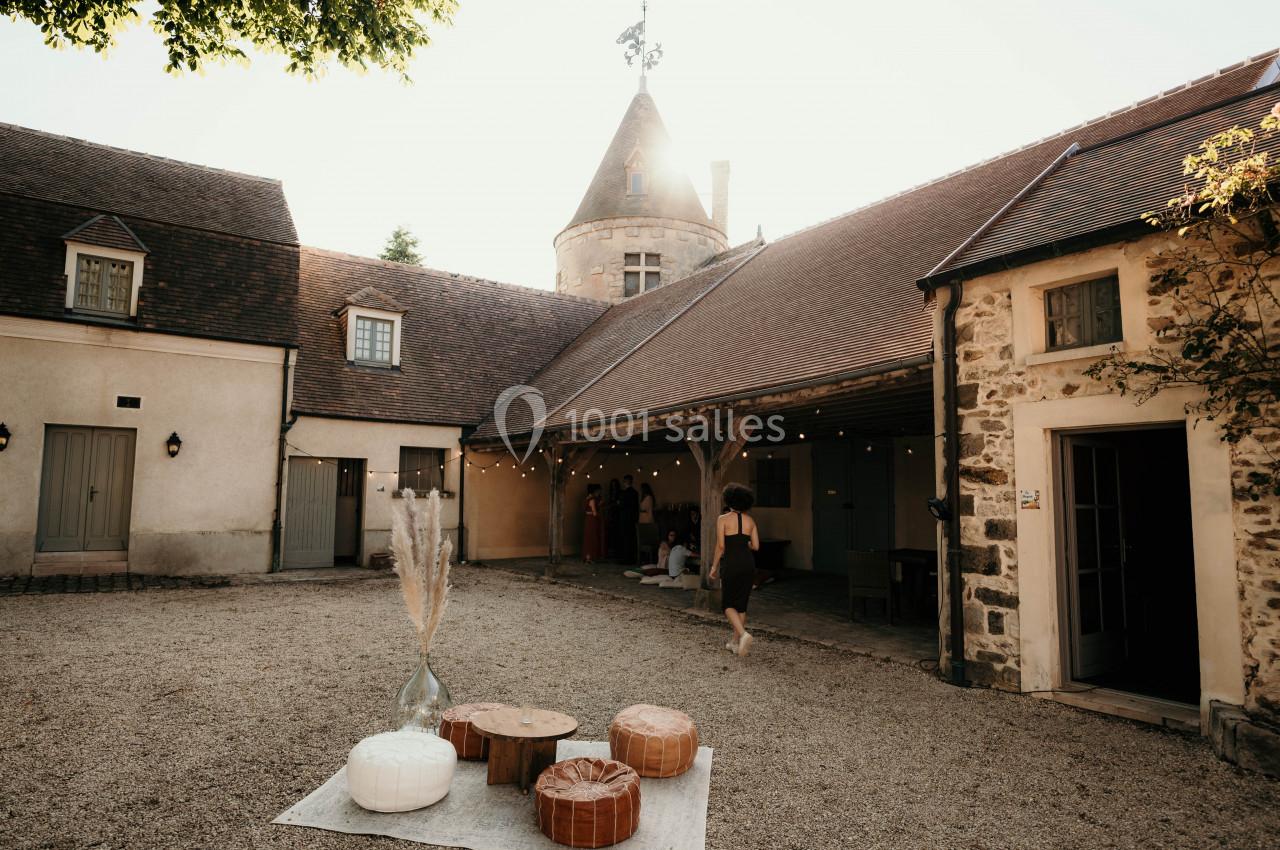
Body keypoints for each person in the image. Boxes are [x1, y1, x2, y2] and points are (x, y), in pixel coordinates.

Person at [710, 483, 760, 656]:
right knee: (741, 605)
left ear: (729, 499)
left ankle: (744, 635)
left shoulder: (722, 519)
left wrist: (714, 566)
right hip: (748, 564)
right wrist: (744, 542)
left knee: (727, 604)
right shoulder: (750, 520)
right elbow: (756, 546)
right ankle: (735, 642)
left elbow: (721, 546)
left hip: (731, 564)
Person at [618, 475, 640, 567]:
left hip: (625, 518)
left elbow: (622, 505)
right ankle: (631, 558)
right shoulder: (635, 493)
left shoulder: (624, 493)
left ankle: (626, 558)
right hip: (632, 519)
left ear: (626, 482)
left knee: (625, 538)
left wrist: (619, 503)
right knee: (631, 539)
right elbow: (636, 507)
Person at [636, 482, 658, 563]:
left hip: (646, 517)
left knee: (646, 536)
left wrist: (651, 521)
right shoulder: (645, 497)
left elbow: (650, 510)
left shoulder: (649, 497)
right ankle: (644, 558)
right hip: (642, 516)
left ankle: (647, 558)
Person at [582, 484, 603, 564]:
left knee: (588, 537)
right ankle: (589, 557)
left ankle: (588, 556)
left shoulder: (587, 498)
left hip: (588, 519)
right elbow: (594, 513)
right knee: (592, 538)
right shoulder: (592, 499)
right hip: (592, 520)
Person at [604, 478, 622, 560]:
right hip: (611, 515)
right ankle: (611, 551)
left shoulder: (619, 494)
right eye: (612, 485)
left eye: (615, 485)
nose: (614, 487)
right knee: (610, 533)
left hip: (617, 515)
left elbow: (619, 504)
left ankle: (616, 551)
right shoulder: (611, 494)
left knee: (616, 533)